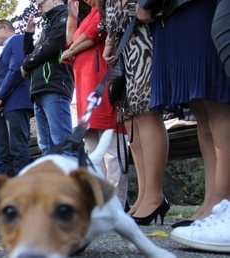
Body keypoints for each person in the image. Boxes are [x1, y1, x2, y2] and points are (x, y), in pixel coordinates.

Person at [137, 0, 230, 251]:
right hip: (170, 11)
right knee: (200, 107)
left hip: (194, 6)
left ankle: (223, 199)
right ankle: (211, 201)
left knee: (217, 100)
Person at [100, 0, 170, 224]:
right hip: (125, 43)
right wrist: (111, 41)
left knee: (145, 111)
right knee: (130, 118)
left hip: (142, 35)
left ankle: (154, 195)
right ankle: (144, 194)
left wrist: (126, 16)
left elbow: (132, 7)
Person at [61, 0, 128, 208]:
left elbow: (94, 35)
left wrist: (71, 52)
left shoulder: (104, 9)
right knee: (92, 147)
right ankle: (98, 201)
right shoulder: (89, 14)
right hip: (84, 90)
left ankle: (116, 202)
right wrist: (72, 18)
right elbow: (71, 41)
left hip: (101, 82)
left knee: (111, 148)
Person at [21, 1, 76, 157]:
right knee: (46, 146)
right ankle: (55, 181)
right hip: (40, 89)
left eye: (41, 3)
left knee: (62, 143)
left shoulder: (64, 16)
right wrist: (28, 34)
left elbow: (52, 46)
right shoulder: (48, 25)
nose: (39, 9)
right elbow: (31, 54)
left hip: (54, 86)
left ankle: (71, 181)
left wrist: (26, 65)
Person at [0, 19, 34, 177]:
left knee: (18, 148)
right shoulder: (4, 50)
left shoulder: (18, 40)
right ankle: (13, 191)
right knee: (4, 150)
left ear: (5, 28)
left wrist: (0, 96)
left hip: (16, 102)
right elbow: (1, 78)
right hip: (5, 106)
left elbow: (17, 68)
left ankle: (24, 193)